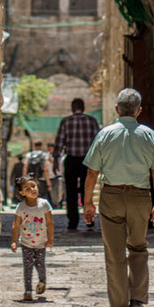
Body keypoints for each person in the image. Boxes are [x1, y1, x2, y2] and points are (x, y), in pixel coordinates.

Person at [82, 87, 154, 307]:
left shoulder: (105, 134)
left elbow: (92, 172)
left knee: (115, 255)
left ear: (117, 109)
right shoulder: (148, 135)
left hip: (111, 197)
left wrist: (88, 203)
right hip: (140, 197)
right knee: (138, 247)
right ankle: (138, 298)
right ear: (139, 111)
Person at [54, 97, 100, 230]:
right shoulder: (91, 121)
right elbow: (98, 142)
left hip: (71, 160)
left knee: (71, 192)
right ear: (84, 108)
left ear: (72, 108)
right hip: (87, 161)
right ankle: (89, 220)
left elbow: (59, 142)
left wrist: (56, 159)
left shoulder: (66, 122)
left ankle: (72, 222)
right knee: (88, 190)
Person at [11, 175, 54, 301]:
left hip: (41, 243)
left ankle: (42, 280)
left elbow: (50, 222)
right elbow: (16, 225)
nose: (32, 189)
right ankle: (28, 290)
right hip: (26, 243)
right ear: (21, 192)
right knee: (28, 266)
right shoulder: (21, 207)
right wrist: (14, 241)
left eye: (33, 186)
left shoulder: (44, 204)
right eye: (27, 188)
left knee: (40, 265)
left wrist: (50, 239)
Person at [47, 142, 63, 208]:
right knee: (52, 193)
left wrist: (52, 162)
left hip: (57, 176)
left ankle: (58, 203)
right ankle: (55, 204)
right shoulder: (47, 156)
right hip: (50, 176)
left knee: (59, 192)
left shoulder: (58, 156)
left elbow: (60, 165)